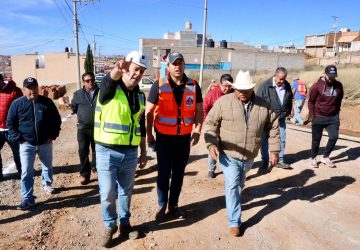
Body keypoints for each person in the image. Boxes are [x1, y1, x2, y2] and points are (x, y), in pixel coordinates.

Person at [204, 70, 280, 237]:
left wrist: (274, 151)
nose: (242, 93)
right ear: (234, 88)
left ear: (252, 89)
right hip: (228, 154)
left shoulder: (263, 106)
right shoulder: (223, 102)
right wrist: (211, 144)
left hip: (249, 156)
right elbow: (210, 124)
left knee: (239, 183)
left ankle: (235, 202)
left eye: (245, 90)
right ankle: (234, 221)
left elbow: (274, 127)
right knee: (233, 185)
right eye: (238, 89)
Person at [94, 51, 148, 247]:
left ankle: (125, 224)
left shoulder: (141, 96)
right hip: (107, 150)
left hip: (130, 152)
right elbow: (109, 80)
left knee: (126, 191)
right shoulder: (110, 89)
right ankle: (110, 226)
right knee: (107, 192)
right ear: (126, 69)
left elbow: (140, 126)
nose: (138, 74)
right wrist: (117, 69)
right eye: (135, 69)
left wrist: (143, 152)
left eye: (142, 71)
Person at [145, 52, 203, 222]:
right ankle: (162, 204)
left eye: (180, 63)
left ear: (184, 65)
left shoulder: (193, 85)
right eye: (174, 63)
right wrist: (149, 135)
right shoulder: (159, 85)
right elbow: (148, 112)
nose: (177, 66)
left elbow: (199, 111)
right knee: (163, 173)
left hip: (183, 139)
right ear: (168, 67)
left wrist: (198, 130)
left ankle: (174, 205)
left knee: (178, 174)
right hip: (164, 139)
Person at [7, 77, 61, 210]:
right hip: (26, 144)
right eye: (29, 88)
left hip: (45, 143)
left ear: (38, 88)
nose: (32, 91)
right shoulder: (17, 104)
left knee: (47, 166)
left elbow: (56, 120)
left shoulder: (46, 102)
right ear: (24, 90)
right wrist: (19, 139)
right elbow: (10, 123)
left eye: (34, 88)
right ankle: (28, 197)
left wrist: (52, 136)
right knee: (26, 171)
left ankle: (47, 184)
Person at [256, 67, 293, 171]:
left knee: (282, 139)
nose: (281, 81)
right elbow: (257, 102)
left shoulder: (287, 85)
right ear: (275, 75)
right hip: (266, 119)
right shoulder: (265, 86)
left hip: (280, 118)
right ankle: (265, 160)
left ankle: (279, 160)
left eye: (284, 79)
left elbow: (289, 98)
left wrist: (289, 110)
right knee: (265, 140)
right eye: (280, 79)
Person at [308, 65, 344, 168]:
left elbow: (339, 99)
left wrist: (336, 112)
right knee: (316, 139)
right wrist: (312, 116)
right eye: (329, 76)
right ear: (325, 74)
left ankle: (325, 157)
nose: (331, 78)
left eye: (333, 76)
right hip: (318, 117)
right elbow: (311, 102)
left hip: (333, 117)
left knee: (334, 137)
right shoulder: (316, 86)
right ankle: (313, 158)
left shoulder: (339, 85)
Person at [203, 74, 233, 178]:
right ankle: (211, 169)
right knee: (213, 147)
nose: (227, 88)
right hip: (214, 126)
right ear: (220, 84)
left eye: (229, 86)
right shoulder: (212, 95)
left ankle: (229, 170)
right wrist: (208, 122)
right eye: (225, 86)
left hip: (229, 127)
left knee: (228, 149)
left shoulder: (234, 94)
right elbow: (204, 109)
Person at [71, 72, 99, 185]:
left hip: (98, 127)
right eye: (87, 81)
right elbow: (74, 108)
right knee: (83, 151)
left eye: (92, 80)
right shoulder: (78, 94)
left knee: (97, 150)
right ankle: (85, 174)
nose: (90, 82)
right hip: (83, 128)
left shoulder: (100, 92)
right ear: (83, 82)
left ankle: (96, 170)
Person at [0, 73, 23, 181]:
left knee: (18, 151)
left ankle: (23, 171)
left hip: (12, 129)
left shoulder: (15, 91)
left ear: (1, 81)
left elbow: (22, 108)